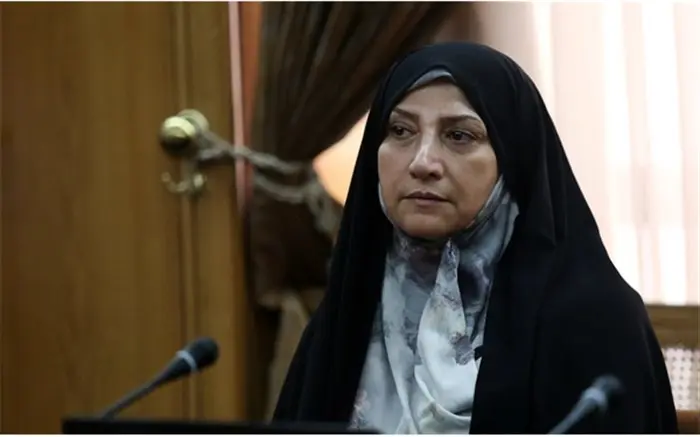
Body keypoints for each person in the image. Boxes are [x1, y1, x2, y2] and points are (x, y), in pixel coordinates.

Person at [272, 42, 678, 434]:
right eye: (400, 130)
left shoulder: (595, 320)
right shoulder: (352, 307)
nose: (422, 163)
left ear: (512, 159)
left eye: (459, 136)